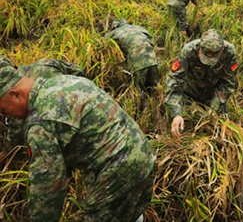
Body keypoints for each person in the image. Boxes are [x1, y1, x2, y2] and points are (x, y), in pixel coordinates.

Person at [0, 63, 155, 222]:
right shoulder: (66, 82)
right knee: (128, 215)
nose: (9, 117)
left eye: (4, 110)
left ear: (16, 94)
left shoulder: (39, 124)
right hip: (144, 157)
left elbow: (47, 188)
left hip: (118, 174)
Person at [0, 56, 86, 162]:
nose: (7, 115)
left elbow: (15, 131)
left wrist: (6, 154)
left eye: (4, 111)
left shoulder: (21, 103)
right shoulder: (44, 63)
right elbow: (78, 70)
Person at [165, 29, 239, 137]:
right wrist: (176, 113)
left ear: (222, 49)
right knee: (181, 131)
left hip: (213, 94)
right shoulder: (189, 51)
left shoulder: (230, 53)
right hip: (190, 92)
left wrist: (213, 110)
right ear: (200, 48)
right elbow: (174, 81)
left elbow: (226, 84)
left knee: (219, 132)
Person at [105, 18, 159, 100]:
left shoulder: (115, 32)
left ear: (115, 27)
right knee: (153, 89)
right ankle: (156, 109)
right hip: (153, 60)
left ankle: (139, 110)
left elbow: (103, 43)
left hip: (137, 63)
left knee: (137, 91)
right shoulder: (139, 28)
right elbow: (151, 41)